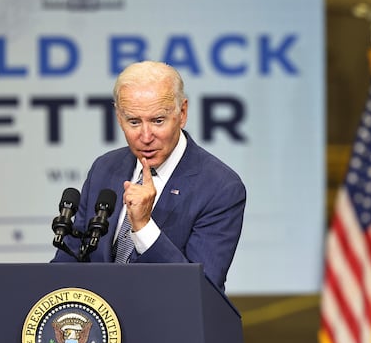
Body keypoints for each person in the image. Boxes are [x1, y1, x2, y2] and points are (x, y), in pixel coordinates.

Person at [51, 61, 246, 291]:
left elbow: (201, 290)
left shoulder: (220, 187)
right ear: (119, 117)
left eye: (158, 121)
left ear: (182, 113)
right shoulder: (104, 168)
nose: (145, 137)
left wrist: (144, 227)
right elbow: (69, 263)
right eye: (134, 122)